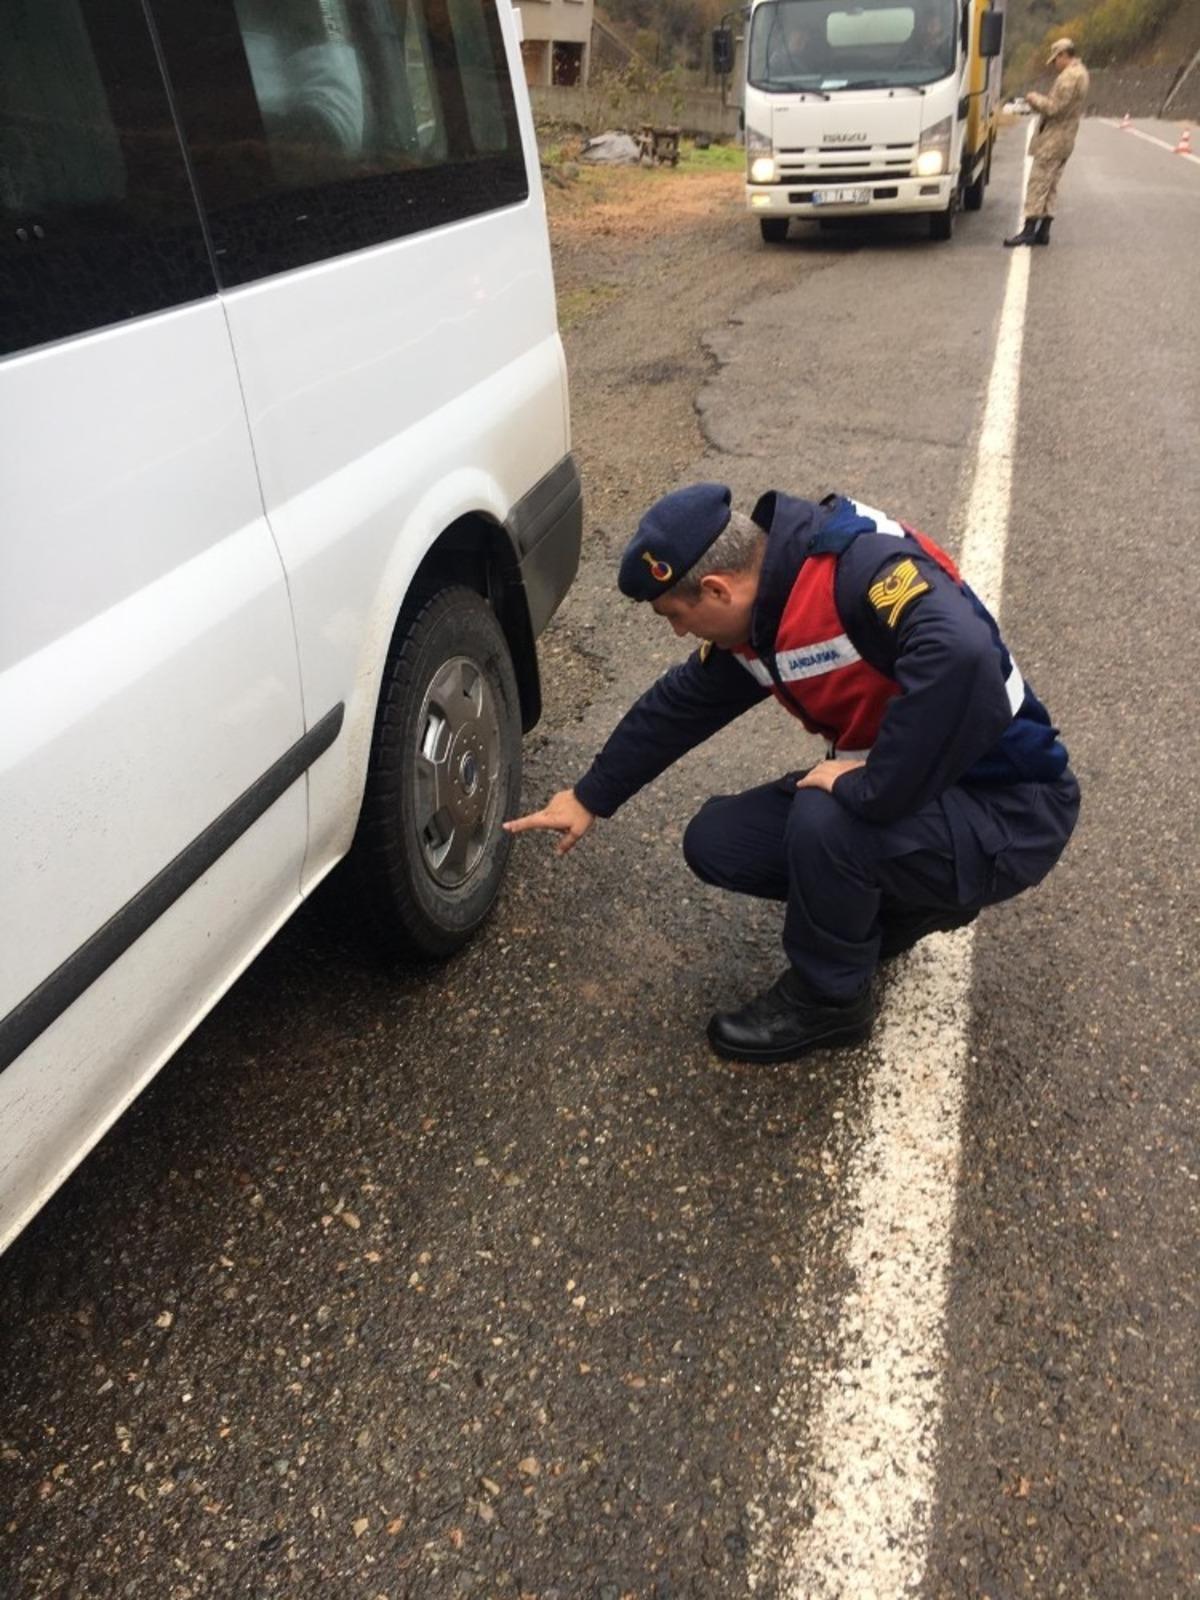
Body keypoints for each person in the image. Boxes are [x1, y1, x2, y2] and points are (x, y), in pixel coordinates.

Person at [505, 484, 1080, 1065]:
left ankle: (831, 999)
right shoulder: (764, 608)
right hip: (928, 798)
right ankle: (908, 907)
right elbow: (680, 705)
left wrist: (869, 788)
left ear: (715, 588)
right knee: (718, 841)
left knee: (827, 815)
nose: (679, 632)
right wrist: (589, 796)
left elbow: (963, 655)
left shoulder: (857, 574)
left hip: (1010, 809)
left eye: (676, 616)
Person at [1004, 38, 1089, 247]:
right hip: (1067, 138)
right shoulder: (1083, 73)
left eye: (1055, 60)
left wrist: (1034, 99)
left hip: (1054, 139)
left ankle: (1029, 230)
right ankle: (1044, 231)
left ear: (1063, 55)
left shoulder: (1069, 77)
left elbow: (1054, 108)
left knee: (1038, 182)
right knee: (1051, 185)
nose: (1054, 66)